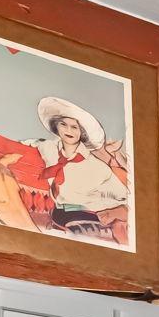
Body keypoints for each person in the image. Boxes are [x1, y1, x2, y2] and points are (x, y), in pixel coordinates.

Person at [32, 96, 131, 242]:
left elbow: (126, 198)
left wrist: (114, 212)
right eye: (63, 124)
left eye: (74, 127)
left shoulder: (97, 168)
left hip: (86, 216)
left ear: (82, 132)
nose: (68, 130)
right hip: (59, 214)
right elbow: (26, 146)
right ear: (56, 127)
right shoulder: (48, 148)